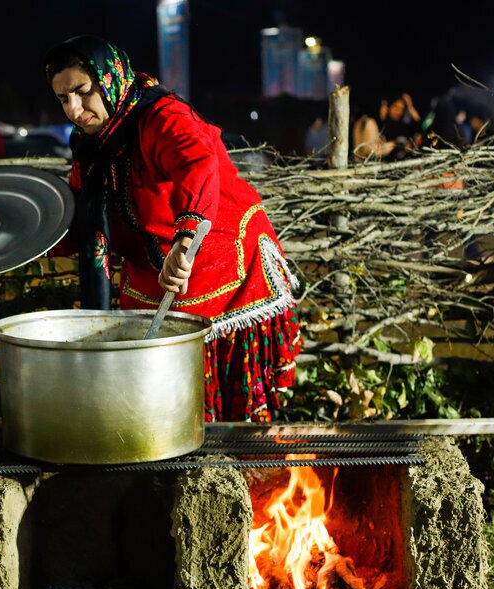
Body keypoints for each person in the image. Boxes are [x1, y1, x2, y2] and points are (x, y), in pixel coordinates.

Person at [44, 35, 301, 422]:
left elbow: (196, 166)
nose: (75, 110)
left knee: (219, 401)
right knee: (156, 388)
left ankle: (230, 467)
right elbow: (78, 216)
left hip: (215, 250)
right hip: (152, 269)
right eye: (64, 99)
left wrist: (186, 240)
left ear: (108, 78)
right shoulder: (94, 146)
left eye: (82, 91)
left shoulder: (160, 116)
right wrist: (26, 239)